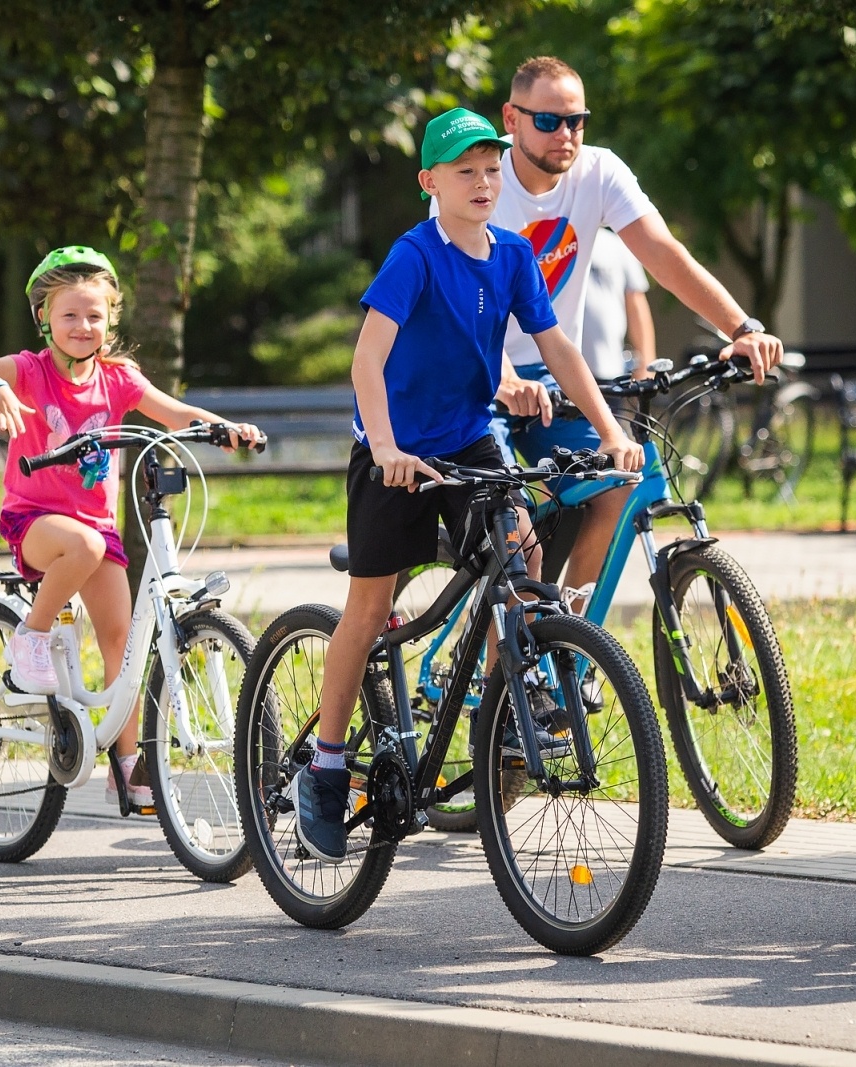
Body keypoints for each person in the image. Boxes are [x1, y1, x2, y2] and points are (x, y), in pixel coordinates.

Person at [294, 108, 645, 863]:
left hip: (467, 437)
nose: (484, 181)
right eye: (466, 171)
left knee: (521, 554)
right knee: (369, 605)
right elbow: (366, 363)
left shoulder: (514, 255)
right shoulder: (414, 256)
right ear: (431, 182)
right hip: (397, 449)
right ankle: (325, 767)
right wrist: (384, 444)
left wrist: (611, 432)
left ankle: (504, 712)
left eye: (491, 169)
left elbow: (559, 348)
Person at [0, 246, 263, 810]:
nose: (82, 326)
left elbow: (174, 413)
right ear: (44, 317)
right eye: (69, 315)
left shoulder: (119, 378)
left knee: (122, 641)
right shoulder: (30, 370)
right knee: (85, 545)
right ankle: (32, 636)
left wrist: (225, 427)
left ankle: (127, 763)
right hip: (36, 519)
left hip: (95, 530)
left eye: (95, 315)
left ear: (111, 318)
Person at [479, 56, 785, 596]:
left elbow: (663, 255)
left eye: (577, 120)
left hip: (556, 377)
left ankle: (571, 649)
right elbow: (462, 304)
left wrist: (741, 328)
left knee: (621, 484)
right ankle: (502, 671)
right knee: (516, 536)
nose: (565, 135)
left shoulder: (600, 171)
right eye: (548, 121)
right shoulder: (478, 182)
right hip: (480, 376)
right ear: (511, 118)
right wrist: (503, 376)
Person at [580, 227, 655, 379]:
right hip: (555, 373)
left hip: (608, 368)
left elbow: (636, 305)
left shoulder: (617, 244)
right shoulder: (546, 240)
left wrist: (647, 364)